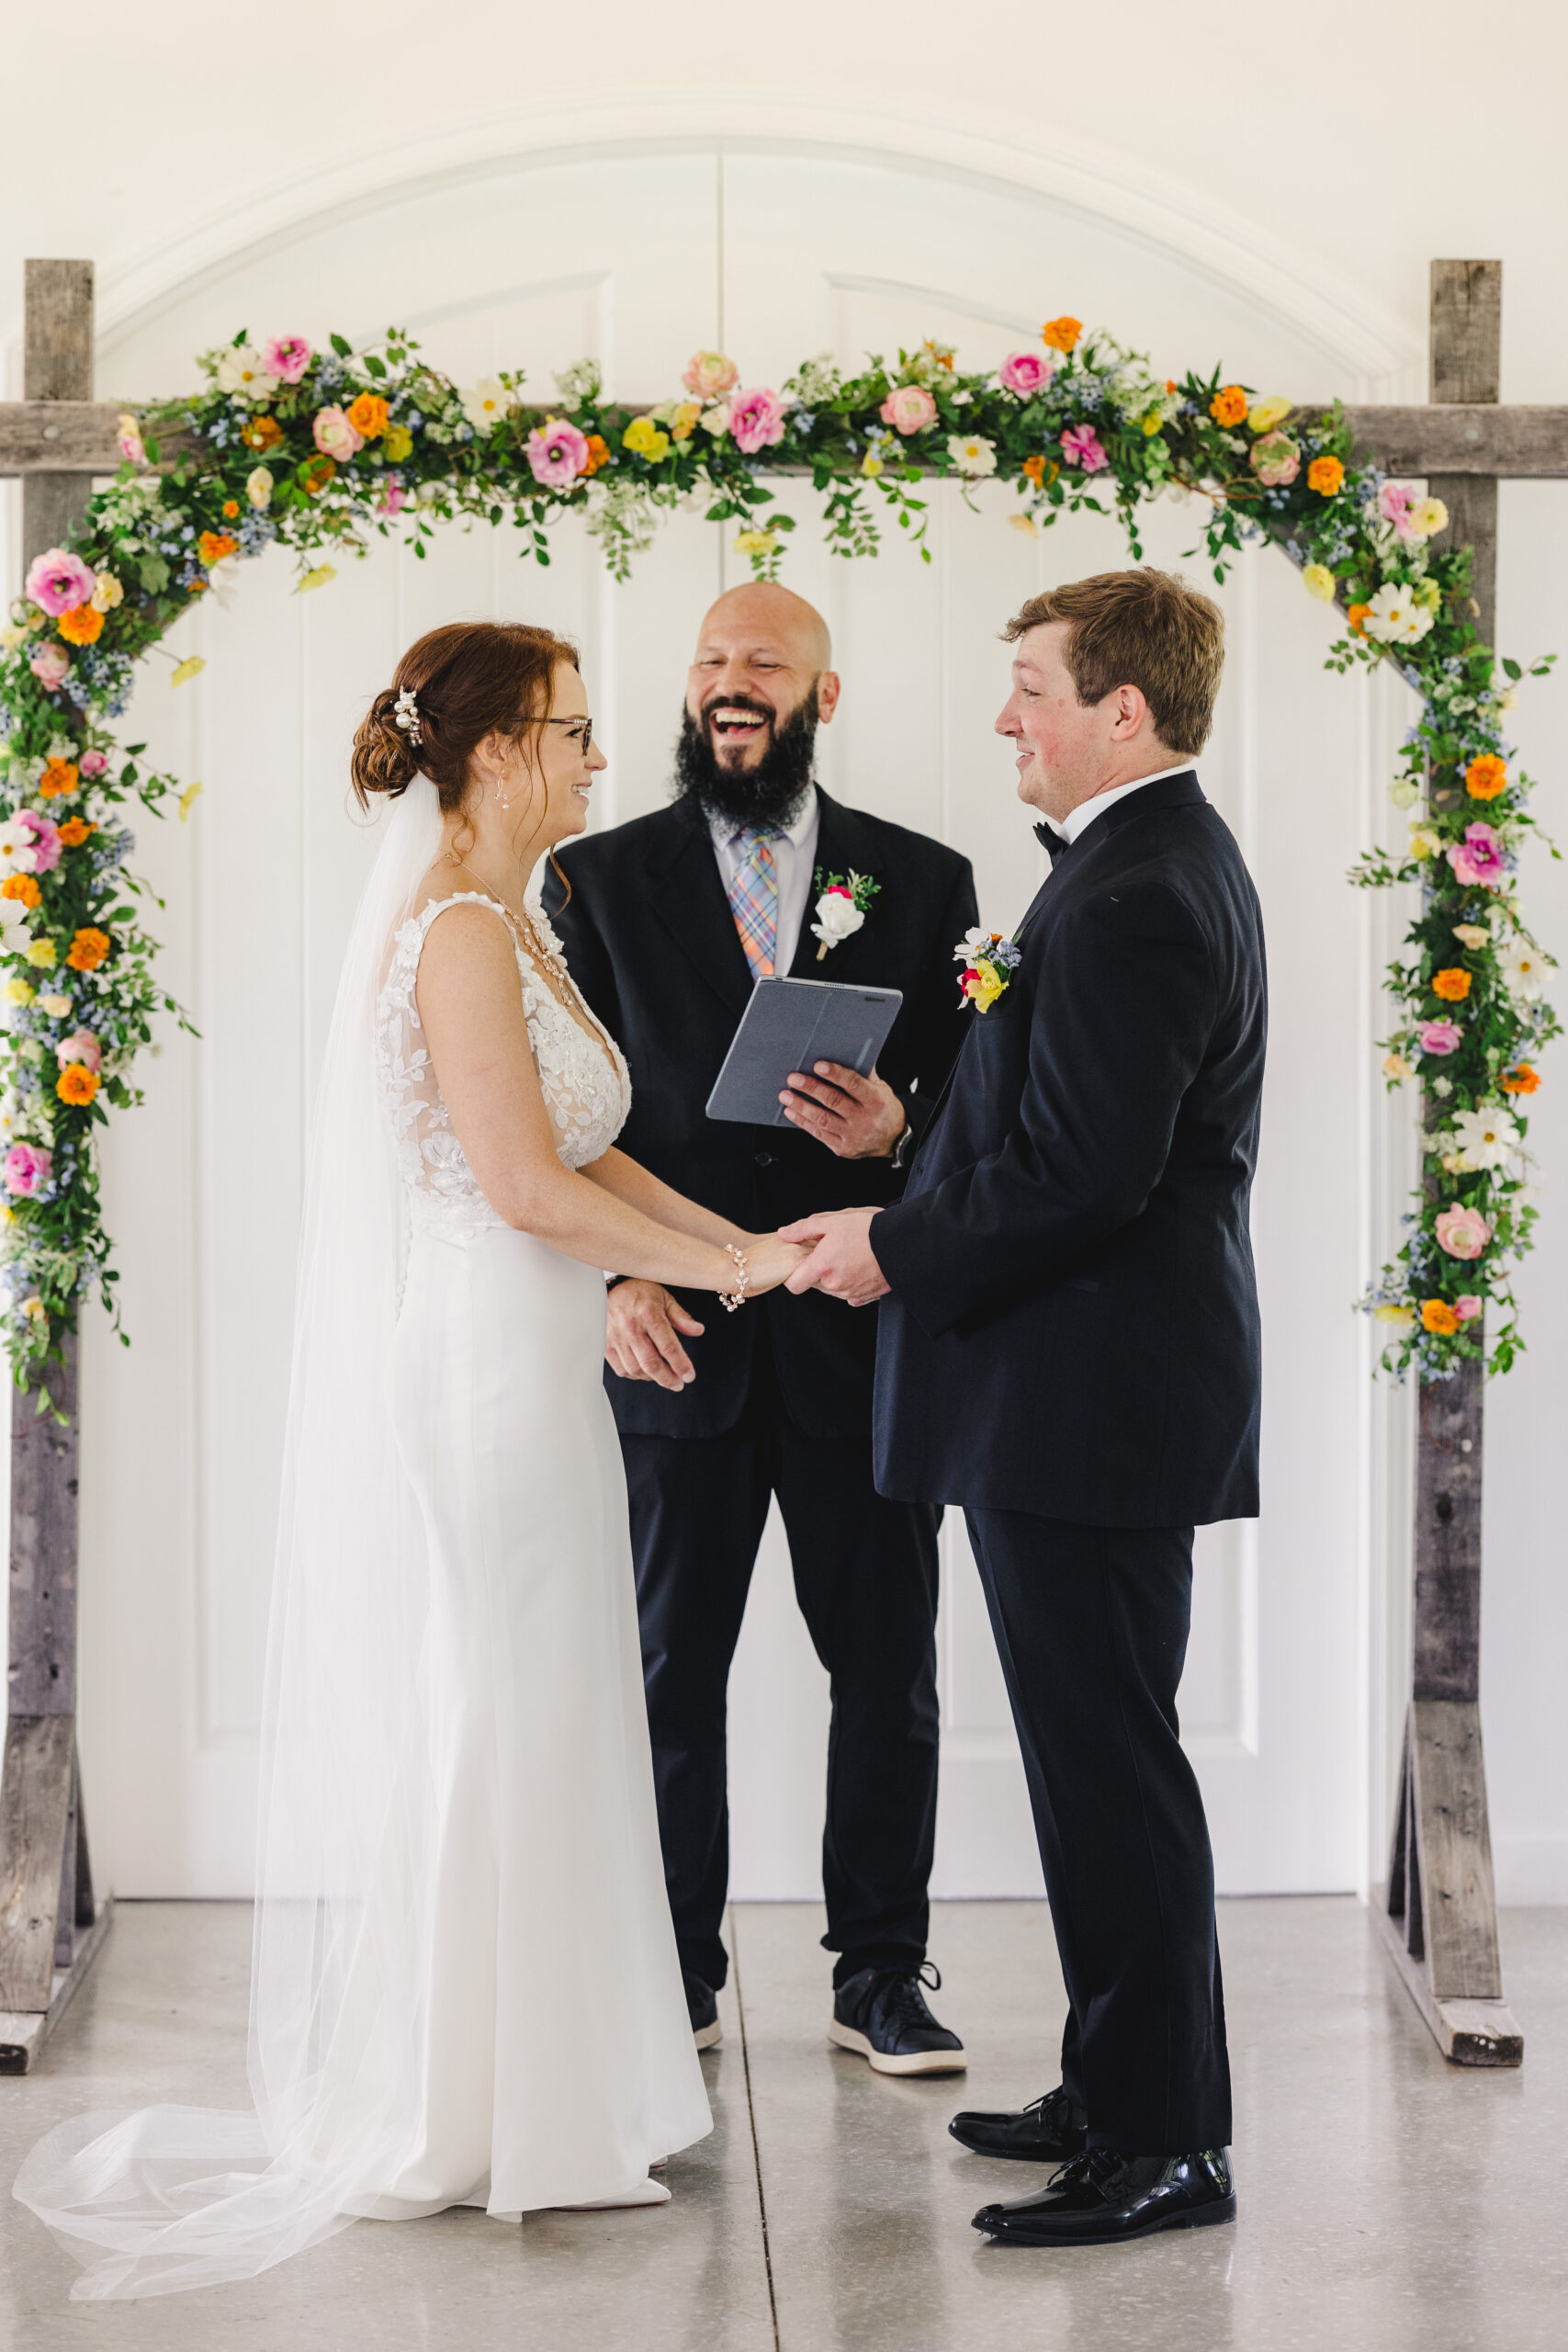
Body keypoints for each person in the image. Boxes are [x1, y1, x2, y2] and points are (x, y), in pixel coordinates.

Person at [16, 621, 808, 2300]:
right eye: (577, 731)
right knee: (508, 1711)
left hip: (533, 1369)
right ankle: (483, 2111)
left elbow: (595, 1156)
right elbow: (525, 1193)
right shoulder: (457, 931)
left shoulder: (513, 921)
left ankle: (550, 2085)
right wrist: (734, 1268)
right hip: (485, 1379)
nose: (603, 756)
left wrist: (741, 1237)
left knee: (549, 1707)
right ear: (500, 745)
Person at [784, 568, 1266, 2246]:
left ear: (1121, 711)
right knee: (1089, 1765)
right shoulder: (1130, 868)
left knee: (1113, 1767)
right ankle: (1115, 2081)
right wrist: (898, 1150)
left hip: (1094, 1403)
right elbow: (1057, 1132)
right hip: (1071, 1395)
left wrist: (889, 1250)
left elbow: (1087, 1179)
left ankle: (1166, 2146)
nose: (1009, 717)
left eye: (1033, 689)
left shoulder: (1139, 891)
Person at [545, 582, 979, 2075]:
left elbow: (978, 1132)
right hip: (680, 1340)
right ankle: (672, 1972)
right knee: (671, 1669)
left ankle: (881, 1976)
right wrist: (617, 1282)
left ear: (822, 698)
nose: (734, 685)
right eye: (713, 661)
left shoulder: (925, 884)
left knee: (891, 1671)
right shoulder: (593, 882)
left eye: (767, 666)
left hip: (861, 1341)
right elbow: (554, 1126)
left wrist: (901, 1127)